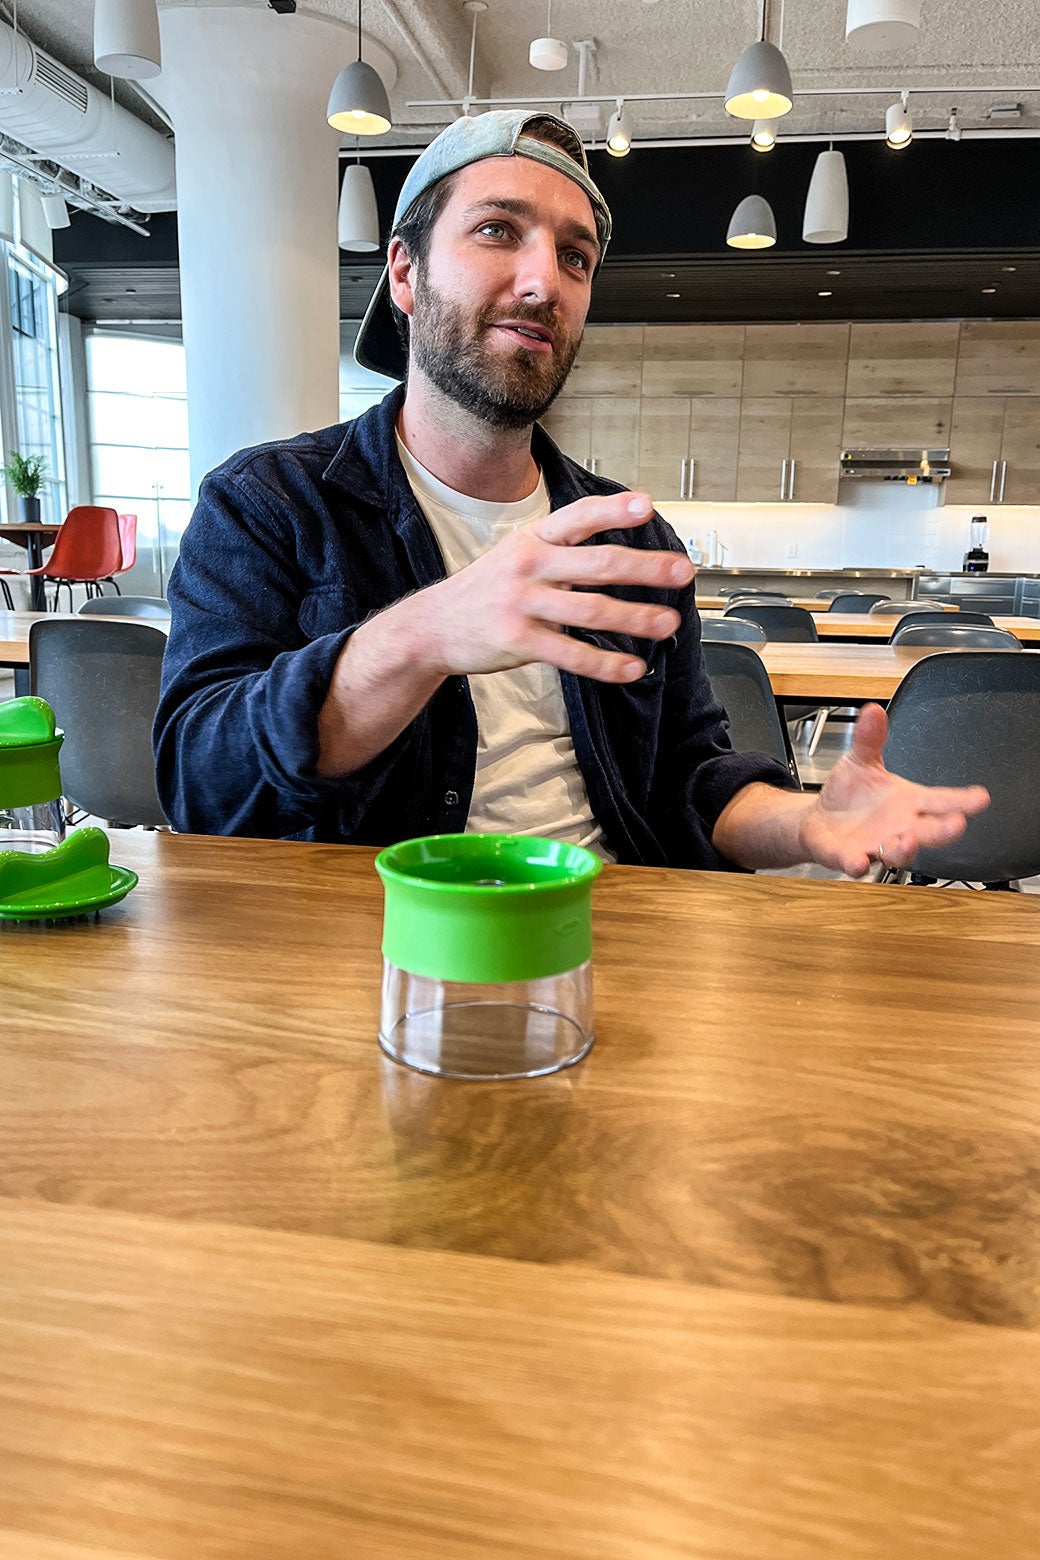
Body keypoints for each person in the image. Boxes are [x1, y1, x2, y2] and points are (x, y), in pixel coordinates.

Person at [155, 109, 988, 877]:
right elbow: (202, 782)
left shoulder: (632, 541)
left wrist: (805, 823)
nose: (543, 281)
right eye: (497, 230)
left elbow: (685, 777)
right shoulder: (269, 503)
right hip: (365, 945)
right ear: (405, 275)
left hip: (611, 931)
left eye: (576, 256)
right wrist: (427, 634)